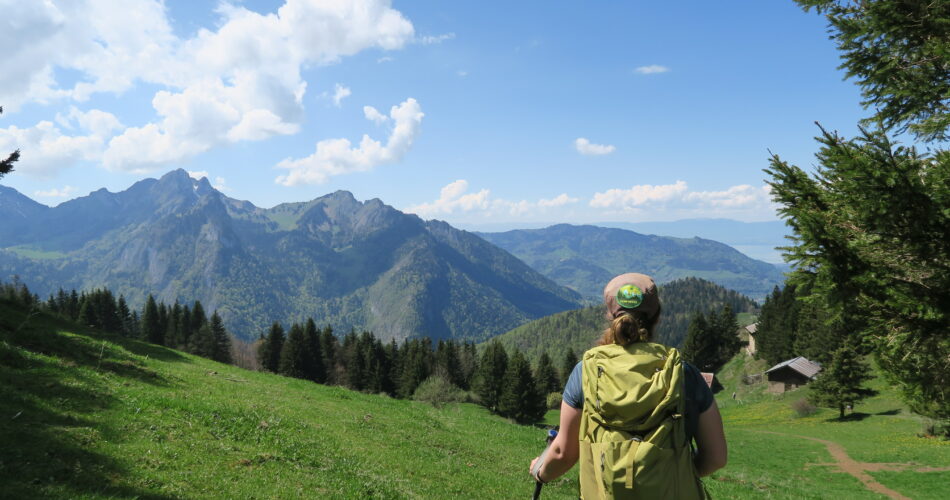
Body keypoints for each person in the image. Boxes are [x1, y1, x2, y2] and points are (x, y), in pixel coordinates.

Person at [529, 273, 727, 498]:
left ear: (609, 315)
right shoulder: (684, 374)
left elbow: (563, 452)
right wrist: (668, 472)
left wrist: (540, 471)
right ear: (657, 317)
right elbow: (716, 457)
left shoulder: (586, 371)